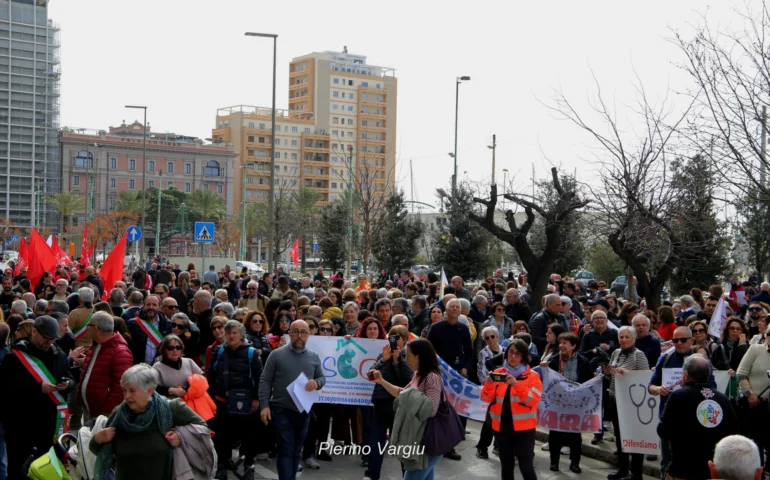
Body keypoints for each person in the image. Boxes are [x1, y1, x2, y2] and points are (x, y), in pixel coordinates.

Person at [90, 364, 207, 480]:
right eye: (124, 391)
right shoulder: (119, 415)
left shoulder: (171, 408)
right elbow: (100, 452)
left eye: (132, 391)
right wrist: (97, 439)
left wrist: (181, 436)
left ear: (150, 390)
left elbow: (203, 428)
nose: (126, 396)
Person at [0, 315, 75, 479]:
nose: (49, 343)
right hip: (22, 426)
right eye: (46, 338)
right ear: (34, 331)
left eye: (53, 339)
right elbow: (6, 390)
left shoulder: (58, 354)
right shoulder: (14, 358)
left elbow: (69, 376)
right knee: (20, 470)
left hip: (49, 426)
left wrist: (67, 384)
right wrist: (38, 388)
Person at [369, 339, 448, 480]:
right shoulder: (418, 375)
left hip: (428, 442)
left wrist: (409, 400)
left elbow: (430, 410)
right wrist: (381, 381)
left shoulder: (432, 378)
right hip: (419, 440)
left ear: (419, 357)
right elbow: (401, 393)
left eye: (409, 355)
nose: (405, 359)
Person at [259, 320, 326, 480]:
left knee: (296, 450)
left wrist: (316, 383)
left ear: (308, 335)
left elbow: (322, 377)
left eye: (303, 332)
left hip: (304, 410)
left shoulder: (314, 356)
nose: (299, 336)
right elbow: (265, 380)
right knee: (286, 449)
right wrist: (264, 406)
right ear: (289, 333)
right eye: (295, 331)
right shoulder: (277, 354)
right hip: (281, 409)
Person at [657, 354, 739, 479]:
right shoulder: (722, 398)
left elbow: (663, 431)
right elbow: (733, 433)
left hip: (683, 468)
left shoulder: (678, 396)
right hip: (714, 470)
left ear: (684, 374)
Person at [208, 320, 264, 480]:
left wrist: (256, 399)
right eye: (229, 333)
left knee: (248, 436)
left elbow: (260, 378)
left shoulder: (251, 353)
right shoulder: (218, 351)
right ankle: (222, 466)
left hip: (245, 403)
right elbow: (210, 376)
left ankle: (248, 465)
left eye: (235, 333)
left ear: (241, 335)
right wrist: (210, 398)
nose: (231, 336)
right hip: (222, 401)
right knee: (221, 437)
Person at [480, 339, 541, 480]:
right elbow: (486, 398)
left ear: (524, 356)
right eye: (511, 352)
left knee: (526, 466)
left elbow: (532, 400)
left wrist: (516, 385)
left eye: (518, 353)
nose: (513, 356)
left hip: (524, 429)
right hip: (501, 427)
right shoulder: (498, 372)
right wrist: (488, 384)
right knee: (506, 465)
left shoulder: (533, 376)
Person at [364, 325, 413, 480]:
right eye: (392, 337)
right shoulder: (383, 355)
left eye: (398, 337)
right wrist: (383, 360)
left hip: (400, 406)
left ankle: (407, 475)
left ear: (405, 340)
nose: (395, 340)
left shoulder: (408, 358)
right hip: (381, 404)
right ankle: (372, 474)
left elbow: (408, 381)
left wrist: (398, 362)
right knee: (376, 440)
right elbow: (370, 375)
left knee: (401, 443)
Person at [426, 298, 472, 460]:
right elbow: (429, 350)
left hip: (457, 375)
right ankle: (437, 441)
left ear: (460, 311)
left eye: (457, 307)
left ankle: (451, 444)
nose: (454, 309)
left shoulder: (463, 329)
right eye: (451, 306)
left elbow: (469, 352)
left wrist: (465, 367)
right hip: (438, 374)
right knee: (440, 409)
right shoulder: (436, 328)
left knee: (457, 410)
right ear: (446, 309)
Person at [606, 326, 649, 480]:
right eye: (621, 337)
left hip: (632, 401)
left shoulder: (639, 355)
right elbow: (611, 374)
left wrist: (627, 374)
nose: (623, 340)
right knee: (619, 435)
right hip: (615, 397)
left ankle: (636, 473)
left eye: (626, 337)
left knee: (635, 436)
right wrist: (606, 372)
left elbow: (645, 377)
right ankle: (622, 469)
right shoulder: (616, 352)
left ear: (633, 339)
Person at [547, 332, 592, 472]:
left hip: (575, 403)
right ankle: (554, 461)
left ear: (574, 346)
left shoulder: (584, 361)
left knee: (575, 435)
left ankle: (575, 463)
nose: (561, 346)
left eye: (565, 343)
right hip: (558, 402)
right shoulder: (554, 360)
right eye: (560, 343)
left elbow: (588, 381)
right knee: (555, 433)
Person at [78, 311, 133, 421]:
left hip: (103, 415)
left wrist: (107, 411)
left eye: (89, 325)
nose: (87, 328)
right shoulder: (96, 345)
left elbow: (120, 387)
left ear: (97, 328)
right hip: (90, 409)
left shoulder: (120, 352)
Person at [736, 325, 770, 473]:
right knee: (755, 444)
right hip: (755, 404)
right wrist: (750, 394)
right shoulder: (756, 349)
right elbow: (741, 373)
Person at [153, 334, 203, 399]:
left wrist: (189, 386)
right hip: (170, 405)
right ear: (164, 350)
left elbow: (203, 377)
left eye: (178, 347)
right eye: (171, 348)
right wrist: (171, 390)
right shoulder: (157, 367)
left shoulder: (189, 361)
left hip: (191, 402)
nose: (175, 350)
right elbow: (152, 388)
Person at [126, 295, 171, 365]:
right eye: (148, 304)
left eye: (154, 305)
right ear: (143, 306)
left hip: (160, 366)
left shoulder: (167, 324)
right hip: (138, 367)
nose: (151, 307)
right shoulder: (132, 323)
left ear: (160, 307)